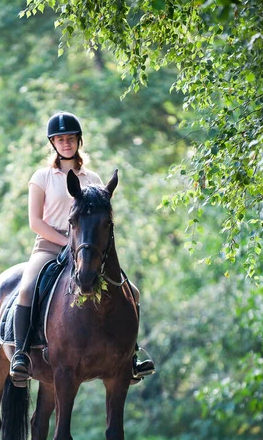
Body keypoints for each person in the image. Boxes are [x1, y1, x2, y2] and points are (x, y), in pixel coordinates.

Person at [10, 111, 155, 386]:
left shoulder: (93, 178)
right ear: (53, 143)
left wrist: (84, 246)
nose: (66, 143)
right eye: (60, 139)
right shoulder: (41, 177)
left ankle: (131, 356)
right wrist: (67, 243)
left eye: (71, 138)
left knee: (131, 290)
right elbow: (34, 221)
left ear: (79, 141)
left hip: (88, 250)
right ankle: (21, 355)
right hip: (51, 246)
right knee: (28, 288)